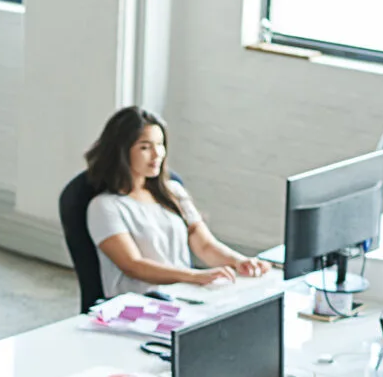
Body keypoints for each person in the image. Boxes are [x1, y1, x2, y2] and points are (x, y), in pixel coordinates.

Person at [83, 106, 269, 300]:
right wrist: (194, 276)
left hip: (183, 294)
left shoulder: (173, 191)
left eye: (160, 144)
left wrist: (238, 261)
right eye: (145, 147)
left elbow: (204, 245)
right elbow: (133, 265)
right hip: (143, 304)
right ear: (121, 152)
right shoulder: (105, 207)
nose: (157, 155)